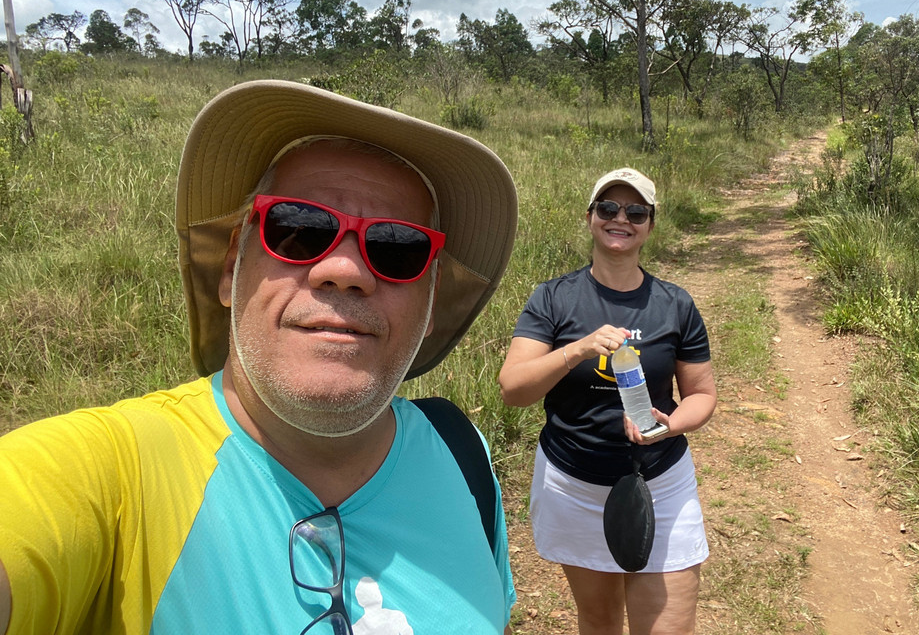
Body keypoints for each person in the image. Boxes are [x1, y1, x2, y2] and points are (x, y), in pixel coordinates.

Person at [0, 79, 519, 635]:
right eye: (298, 229)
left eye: (397, 247)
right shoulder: (110, 473)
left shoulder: (462, 454)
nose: (344, 271)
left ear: (432, 300)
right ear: (230, 269)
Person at [499, 166, 716, 635]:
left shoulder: (675, 304)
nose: (622, 218)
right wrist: (576, 349)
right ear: (590, 216)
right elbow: (513, 388)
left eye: (636, 211)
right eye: (609, 208)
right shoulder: (554, 299)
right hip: (573, 482)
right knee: (598, 620)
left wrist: (669, 425)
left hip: (661, 481)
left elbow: (701, 395)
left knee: (668, 625)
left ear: (651, 225)